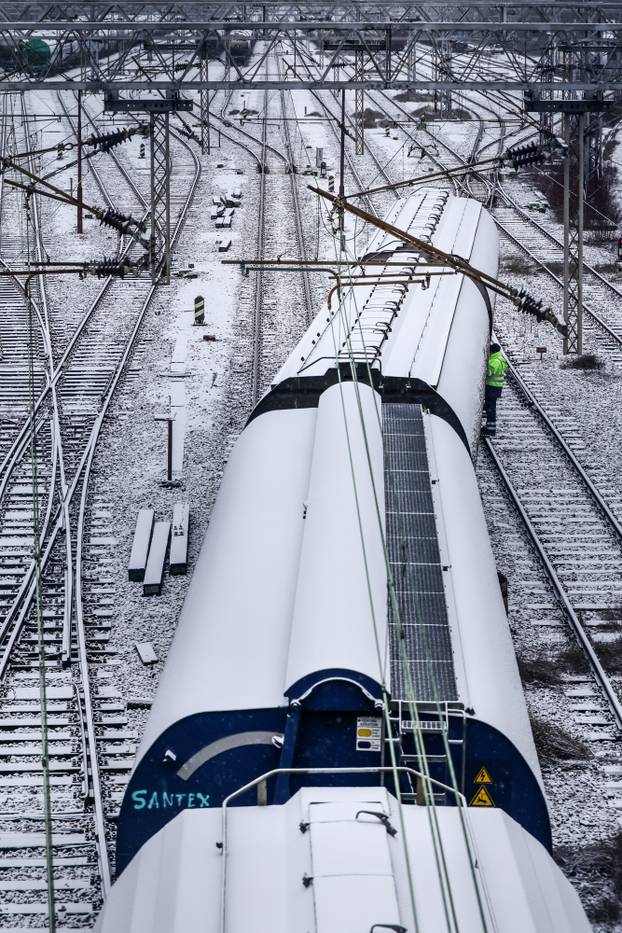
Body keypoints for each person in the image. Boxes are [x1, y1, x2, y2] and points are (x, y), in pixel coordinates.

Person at [483, 343, 508, 437]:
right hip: (495, 387)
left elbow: (489, 372)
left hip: (492, 387)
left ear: (491, 351)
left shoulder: (495, 361)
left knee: (490, 409)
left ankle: (490, 430)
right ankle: (489, 428)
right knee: (489, 408)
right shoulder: (498, 358)